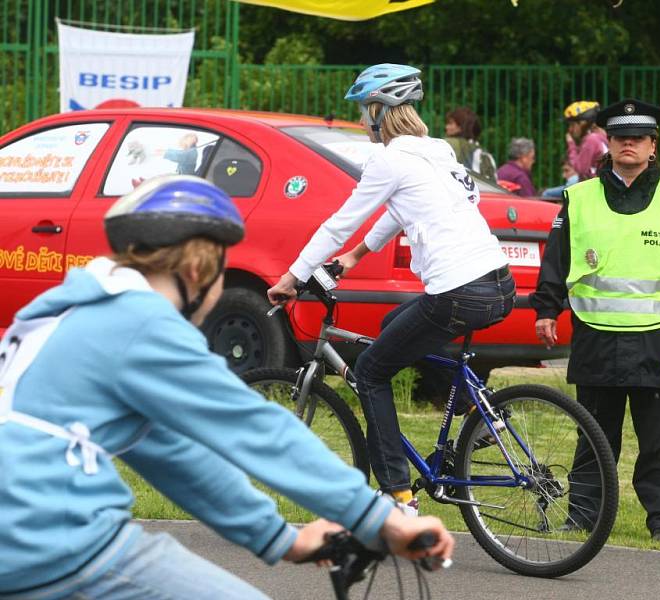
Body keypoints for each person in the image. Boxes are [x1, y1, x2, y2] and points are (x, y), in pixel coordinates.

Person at [0, 175, 453, 599]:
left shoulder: (64, 316)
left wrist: (282, 539)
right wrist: (378, 518)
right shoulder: (139, 322)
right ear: (200, 268)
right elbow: (258, 430)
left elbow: (175, 456)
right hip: (48, 532)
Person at [267, 64, 515, 514]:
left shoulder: (389, 158)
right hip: (498, 283)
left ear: (381, 111)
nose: (363, 122)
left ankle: (398, 496)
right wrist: (358, 255)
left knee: (371, 373)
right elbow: (404, 208)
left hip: (457, 291)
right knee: (390, 323)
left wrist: (293, 276)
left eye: (365, 111)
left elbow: (340, 220)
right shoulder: (436, 150)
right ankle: (478, 415)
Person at [530, 98, 660, 544]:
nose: (628, 144)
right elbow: (557, 258)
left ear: (653, 146)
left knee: (658, 440)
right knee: (594, 436)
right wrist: (545, 308)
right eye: (620, 137)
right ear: (609, 144)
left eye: (638, 138)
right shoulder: (579, 198)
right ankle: (582, 516)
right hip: (597, 337)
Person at [444, 106, 497, 180]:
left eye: (451, 123)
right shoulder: (483, 153)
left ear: (461, 126)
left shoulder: (448, 144)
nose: (446, 127)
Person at [564, 100, 608, 181]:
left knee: (547, 194)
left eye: (572, 124)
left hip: (596, 187)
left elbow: (580, 169)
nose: (570, 129)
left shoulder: (591, 139)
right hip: (602, 183)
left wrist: (571, 145)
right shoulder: (600, 135)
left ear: (583, 123)